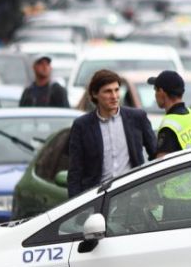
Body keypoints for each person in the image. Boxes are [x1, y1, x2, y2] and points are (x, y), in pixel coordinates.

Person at [67, 69, 156, 197]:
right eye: (108, 91)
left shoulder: (137, 118)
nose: (114, 96)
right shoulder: (82, 126)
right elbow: (75, 171)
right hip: (97, 198)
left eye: (116, 90)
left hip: (133, 195)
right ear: (95, 94)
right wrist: (74, 205)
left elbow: (155, 155)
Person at [150, 70, 191, 159]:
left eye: (155, 90)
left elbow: (161, 164)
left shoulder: (169, 127)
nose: (155, 95)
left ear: (162, 92)